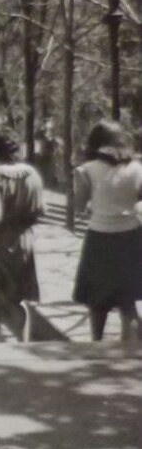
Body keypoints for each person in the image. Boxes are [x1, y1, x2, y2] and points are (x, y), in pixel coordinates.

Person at [72, 120, 142, 343]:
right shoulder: (137, 168)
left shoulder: (86, 170)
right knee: (127, 302)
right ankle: (132, 349)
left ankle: (97, 346)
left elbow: (79, 207)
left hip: (100, 238)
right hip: (131, 237)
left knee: (97, 301)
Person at [0, 128, 44, 342]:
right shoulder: (32, 174)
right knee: (16, 294)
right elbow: (41, 209)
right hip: (25, 239)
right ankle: (22, 340)